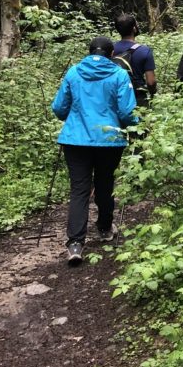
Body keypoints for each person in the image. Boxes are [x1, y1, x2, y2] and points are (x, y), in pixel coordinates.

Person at [51, 36, 137, 266]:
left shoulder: (74, 72)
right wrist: (134, 125)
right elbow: (127, 112)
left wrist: (72, 117)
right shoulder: (119, 74)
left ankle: (75, 243)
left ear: (89, 52)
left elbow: (59, 108)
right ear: (111, 55)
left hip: (75, 140)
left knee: (79, 188)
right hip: (109, 140)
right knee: (104, 183)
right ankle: (105, 228)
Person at [113, 13, 157, 106]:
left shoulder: (111, 49)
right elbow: (151, 82)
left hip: (116, 95)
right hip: (138, 97)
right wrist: (152, 94)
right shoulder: (144, 51)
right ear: (134, 28)